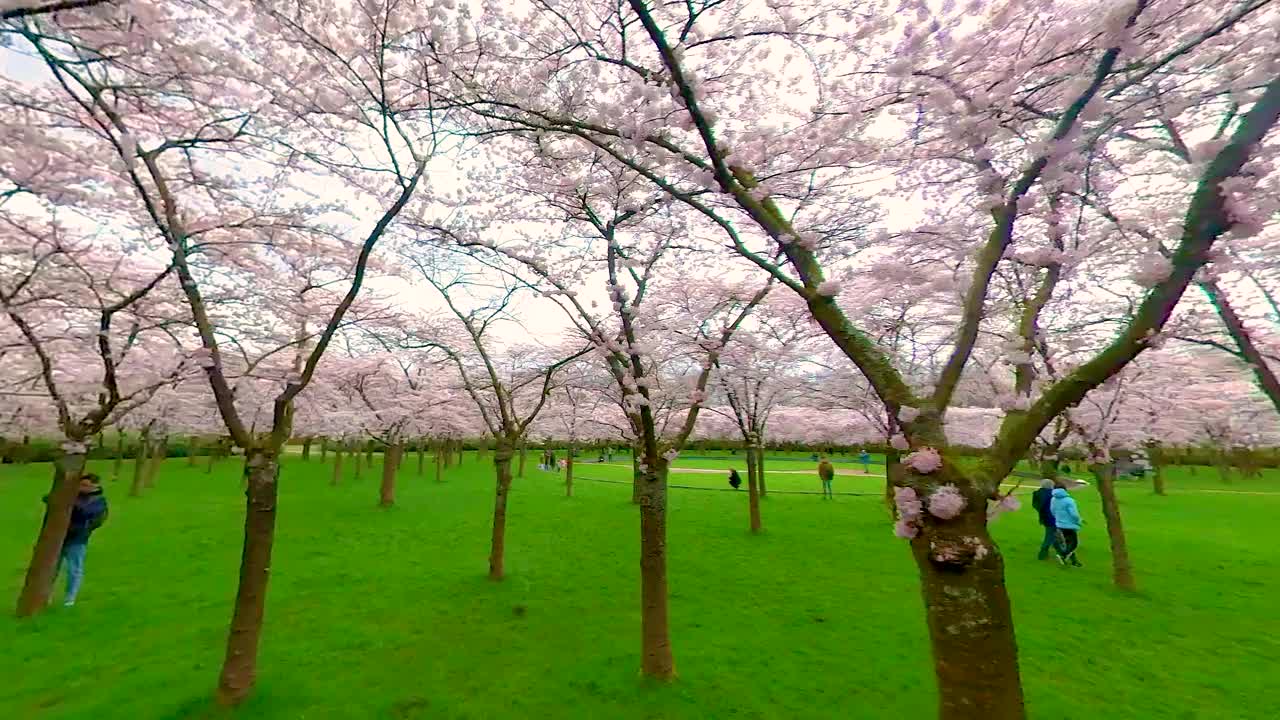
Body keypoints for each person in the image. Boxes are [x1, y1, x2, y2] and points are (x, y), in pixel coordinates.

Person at [50, 473, 108, 607]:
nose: (82, 488)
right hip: (58, 537)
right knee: (52, 568)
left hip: (77, 539)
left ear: (95, 486)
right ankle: (46, 595)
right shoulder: (71, 495)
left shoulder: (98, 500)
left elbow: (88, 513)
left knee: (74, 569)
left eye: (86, 485)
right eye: (81, 485)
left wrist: (69, 503)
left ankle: (70, 598)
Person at [1050, 485, 1083, 567]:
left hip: (1059, 524)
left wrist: (1058, 518)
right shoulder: (1069, 501)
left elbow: (1052, 511)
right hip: (1070, 525)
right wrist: (1079, 521)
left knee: (1067, 543)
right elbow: (1074, 514)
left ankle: (1073, 561)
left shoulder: (1053, 499)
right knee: (1073, 544)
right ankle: (1063, 555)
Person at [1031, 479, 1057, 560]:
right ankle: (1042, 553)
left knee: (1053, 534)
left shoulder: (1038, 493)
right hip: (1052, 518)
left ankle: (1060, 550)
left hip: (1044, 517)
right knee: (1050, 535)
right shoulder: (1052, 494)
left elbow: (1036, 505)